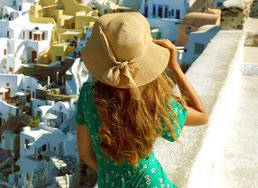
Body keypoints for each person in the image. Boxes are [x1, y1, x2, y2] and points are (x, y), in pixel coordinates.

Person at [76, 12, 208, 187]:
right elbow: (201, 116)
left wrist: (108, 173)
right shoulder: (154, 99)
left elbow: (85, 154)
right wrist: (174, 67)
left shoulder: (87, 95)